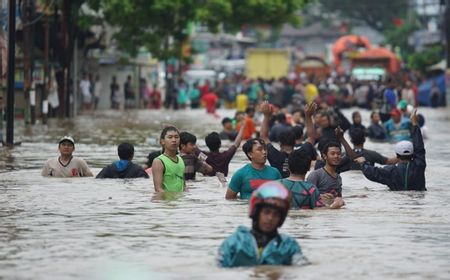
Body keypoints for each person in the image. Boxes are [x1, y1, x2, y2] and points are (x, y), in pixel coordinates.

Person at [218, 181, 307, 267]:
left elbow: (302, 266)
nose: (270, 218)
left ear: (281, 218)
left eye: (276, 214)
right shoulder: (234, 242)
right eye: (266, 212)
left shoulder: (288, 246)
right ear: (256, 213)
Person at [355, 109, 426, 191]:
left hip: (397, 202)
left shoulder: (391, 171)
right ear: (413, 154)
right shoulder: (419, 165)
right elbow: (419, 147)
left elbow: (373, 173)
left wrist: (363, 163)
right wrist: (414, 124)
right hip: (418, 201)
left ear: (397, 155)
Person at [260, 101, 317, 178]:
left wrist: (266, 116)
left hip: (281, 187)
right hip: (299, 186)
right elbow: (311, 137)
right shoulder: (302, 154)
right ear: (294, 142)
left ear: (280, 144)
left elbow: (263, 137)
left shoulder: (274, 155)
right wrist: (308, 116)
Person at [278, 150, 343, 209]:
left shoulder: (276, 184)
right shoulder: (311, 189)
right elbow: (320, 210)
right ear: (309, 168)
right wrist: (335, 206)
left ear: (288, 167)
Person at [307, 128, 355, 200]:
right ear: (325, 156)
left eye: (339, 154)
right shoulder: (315, 175)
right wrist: (320, 197)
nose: (336, 156)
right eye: (332, 154)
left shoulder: (338, 178)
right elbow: (306, 196)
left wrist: (353, 197)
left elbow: (338, 198)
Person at [152, 126, 185, 192]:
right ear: (162, 141)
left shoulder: (181, 159)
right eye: (170, 137)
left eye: (176, 137)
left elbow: (184, 186)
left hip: (179, 201)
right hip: (166, 201)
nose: (174, 140)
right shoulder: (158, 161)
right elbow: (158, 189)